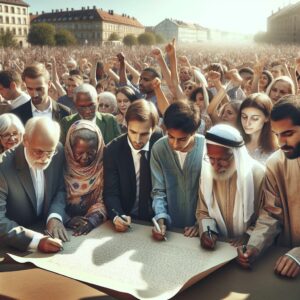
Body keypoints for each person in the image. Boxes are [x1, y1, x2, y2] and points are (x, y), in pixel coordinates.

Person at [237, 95, 300, 279]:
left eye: (288, 134)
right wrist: (254, 246)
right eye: (276, 134)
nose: (281, 143)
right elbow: (271, 215)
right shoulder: (276, 163)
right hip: (284, 263)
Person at [0, 117, 68, 253]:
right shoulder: (3, 167)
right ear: (25, 140)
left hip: (46, 230)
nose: (44, 158)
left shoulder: (58, 151)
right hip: (13, 247)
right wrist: (36, 241)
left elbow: (61, 189)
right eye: (38, 151)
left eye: (50, 152)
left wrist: (54, 216)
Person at [196, 124, 265, 250]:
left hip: (249, 247)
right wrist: (208, 231)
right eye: (211, 158)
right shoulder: (207, 173)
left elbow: (266, 216)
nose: (216, 166)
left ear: (236, 155)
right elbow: (203, 211)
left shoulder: (258, 174)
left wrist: (249, 236)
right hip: (219, 247)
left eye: (222, 159)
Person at [103, 100, 163, 232]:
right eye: (133, 132)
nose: (137, 140)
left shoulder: (160, 141)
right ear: (126, 125)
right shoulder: (112, 150)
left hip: (157, 220)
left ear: (154, 129)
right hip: (128, 219)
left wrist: (162, 218)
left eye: (144, 134)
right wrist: (117, 215)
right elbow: (111, 192)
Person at [151, 100, 205, 240]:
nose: (174, 144)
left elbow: (211, 195)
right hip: (170, 229)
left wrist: (201, 224)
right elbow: (158, 190)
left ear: (193, 132)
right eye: (170, 136)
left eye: (181, 139)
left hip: (200, 231)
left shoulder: (207, 149)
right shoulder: (159, 148)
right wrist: (161, 218)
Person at [64, 120, 107, 236]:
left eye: (91, 153)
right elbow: (52, 199)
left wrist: (92, 221)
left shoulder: (104, 166)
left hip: (96, 228)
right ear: (70, 149)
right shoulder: (60, 165)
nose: (85, 157)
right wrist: (66, 219)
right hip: (61, 226)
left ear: (98, 150)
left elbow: (105, 199)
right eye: (79, 152)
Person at [238, 93, 278, 164]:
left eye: (255, 118)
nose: (247, 123)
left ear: (267, 118)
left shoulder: (276, 151)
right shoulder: (234, 143)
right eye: (244, 117)